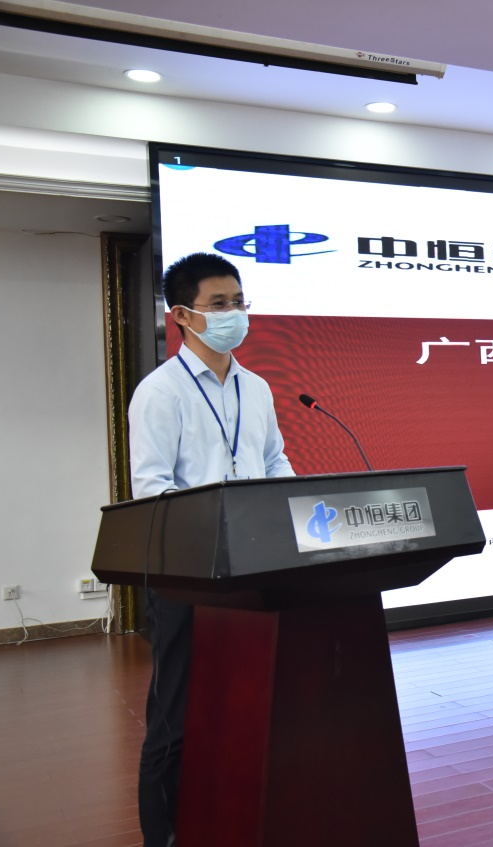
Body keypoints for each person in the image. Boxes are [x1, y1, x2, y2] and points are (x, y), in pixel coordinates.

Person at [127, 252, 295, 847]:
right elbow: (151, 489)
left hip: (255, 567)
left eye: (239, 302)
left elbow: (274, 460)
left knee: (243, 706)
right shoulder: (160, 392)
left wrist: (289, 508)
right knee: (174, 718)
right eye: (218, 305)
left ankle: (232, 820)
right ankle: (164, 836)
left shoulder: (257, 387)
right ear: (181, 316)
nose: (234, 314)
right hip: (188, 573)